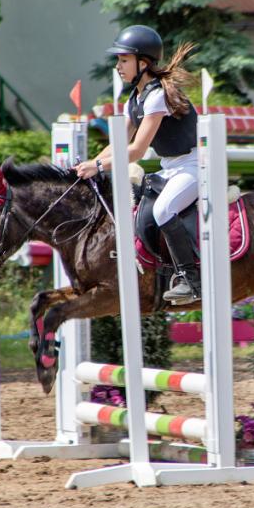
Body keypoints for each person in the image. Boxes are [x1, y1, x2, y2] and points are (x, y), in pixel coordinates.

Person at [73, 25, 201, 305]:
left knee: (164, 209)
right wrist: (90, 164)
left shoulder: (158, 96)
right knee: (141, 214)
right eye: (118, 60)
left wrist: (99, 166)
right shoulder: (134, 100)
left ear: (143, 63)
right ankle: (161, 275)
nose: (118, 66)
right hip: (171, 168)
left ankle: (191, 280)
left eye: (123, 60)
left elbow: (137, 150)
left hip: (195, 166)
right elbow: (119, 144)